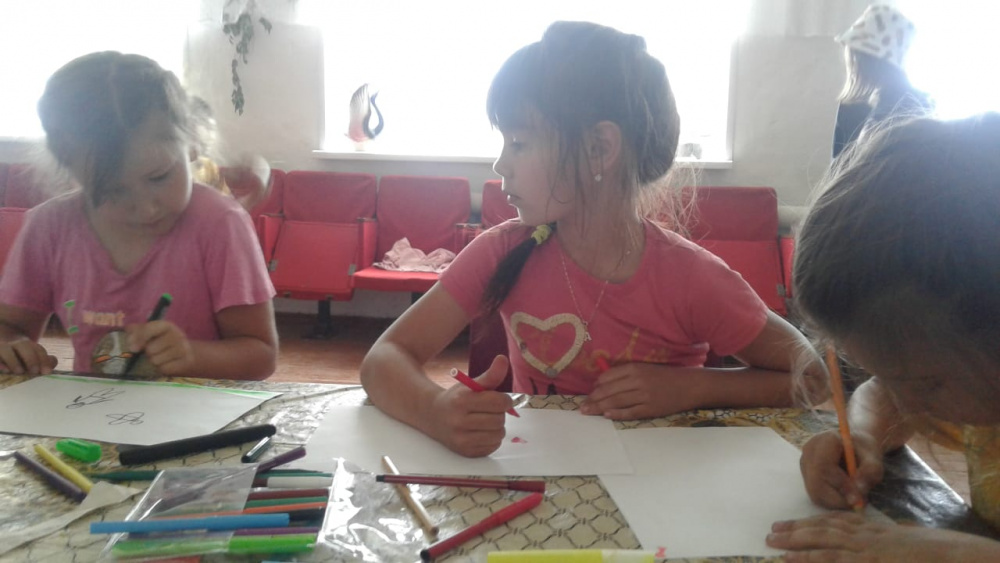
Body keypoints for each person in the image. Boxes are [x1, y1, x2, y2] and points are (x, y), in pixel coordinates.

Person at [360, 21, 825, 458]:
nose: (501, 165)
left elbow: (813, 378)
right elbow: (384, 358)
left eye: (519, 143)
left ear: (599, 148)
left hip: (661, 483)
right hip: (540, 477)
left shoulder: (689, 277)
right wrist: (434, 410)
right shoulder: (502, 250)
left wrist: (694, 387)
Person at [766, 113, 1000, 560]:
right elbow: (881, 394)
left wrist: (957, 553)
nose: (907, 405)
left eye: (926, 385)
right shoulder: (971, 370)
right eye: (892, 377)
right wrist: (863, 437)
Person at [0, 52, 278, 380]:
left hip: (200, 410)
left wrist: (192, 356)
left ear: (192, 141)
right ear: (72, 171)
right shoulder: (49, 227)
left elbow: (261, 355)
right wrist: (12, 346)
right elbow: (10, 327)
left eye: (159, 177)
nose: (146, 208)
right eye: (113, 192)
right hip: (91, 409)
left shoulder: (221, 224)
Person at [832, 3, 932, 159]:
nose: (850, 64)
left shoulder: (911, 109)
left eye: (853, 56)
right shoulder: (853, 105)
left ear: (864, 60)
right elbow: (839, 164)